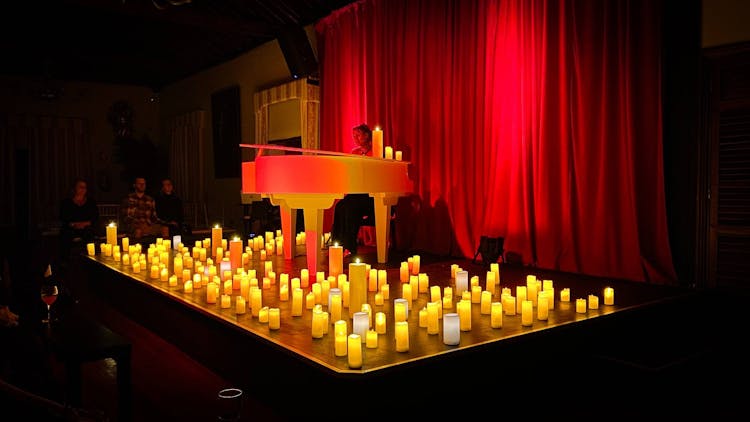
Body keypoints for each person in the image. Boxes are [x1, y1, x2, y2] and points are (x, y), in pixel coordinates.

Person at [329, 123, 376, 256]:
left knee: (350, 209)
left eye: (358, 135)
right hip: (357, 191)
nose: (355, 138)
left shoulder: (376, 151)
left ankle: (350, 246)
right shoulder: (354, 152)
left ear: (367, 135)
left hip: (370, 194)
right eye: (353, 136)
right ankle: (336, 245)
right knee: (340, 206)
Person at [58, 178, 99, 259]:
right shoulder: (66, 202)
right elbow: (63, 218)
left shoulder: (91, 202)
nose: (83, 189)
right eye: (81, 187)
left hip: (87, 227)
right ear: (74, 188)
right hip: (71, 228)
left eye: (85, 187)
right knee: (66, 235)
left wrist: (85, 224)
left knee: (89, 234)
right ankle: (65, 260)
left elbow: (95, 217)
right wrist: (73, 224)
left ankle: (90, 258)